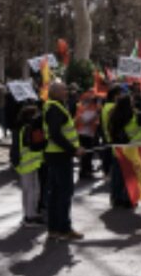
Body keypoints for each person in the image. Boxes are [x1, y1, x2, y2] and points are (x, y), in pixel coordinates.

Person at [42, 82, 84, 240]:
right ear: (55, 92)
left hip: (55, 155)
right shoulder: (55, 108)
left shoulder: (53, 106)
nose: (66, 91)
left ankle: (54, 229)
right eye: (63, 89)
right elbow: (55, 134)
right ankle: (64, 228)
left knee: (55, 193)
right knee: (64, 193)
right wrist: (74, 150)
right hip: (60, 156)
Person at [14, 104, 45, 226]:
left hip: (25, 163)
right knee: (32, 190)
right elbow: (35, 145)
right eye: (36, 114)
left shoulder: (21, 127)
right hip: (29, 162)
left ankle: (29, 214)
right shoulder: (29, 128)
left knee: (28, 190)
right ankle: (30, 217)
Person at [75, 90, 101, 181]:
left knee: (89, 153)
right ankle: (84, 172)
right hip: (83, 133)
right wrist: (95, 115)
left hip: (89, 133)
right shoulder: (82, 107)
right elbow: (83, 121)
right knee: (85, 154)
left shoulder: (92, 107)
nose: (93, 100)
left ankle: (87, 170)